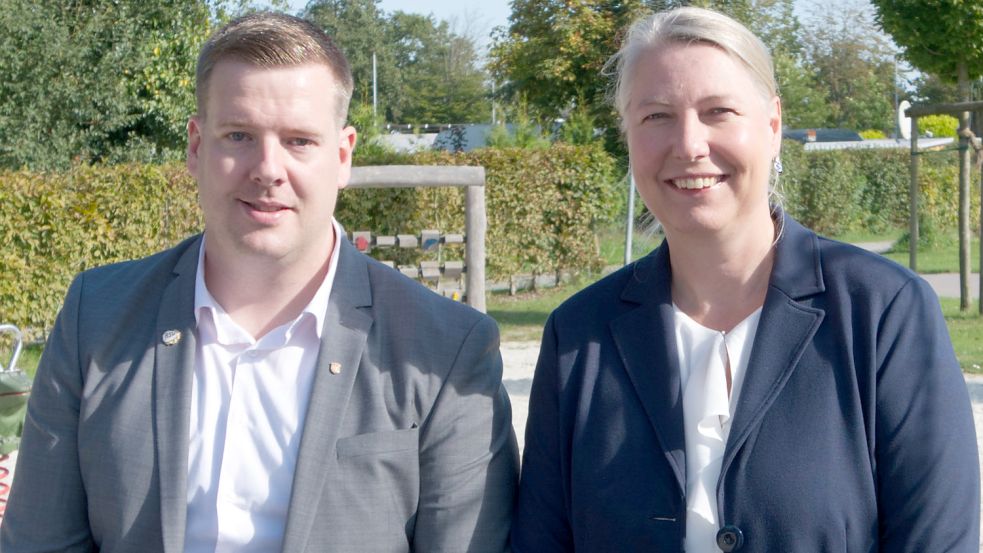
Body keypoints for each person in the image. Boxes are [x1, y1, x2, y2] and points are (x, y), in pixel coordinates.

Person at [1, 12, 517, 553]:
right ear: (197, 146)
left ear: (342, 155)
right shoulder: (96, 318)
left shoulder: (446, 348)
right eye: (239, 135)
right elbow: (41, 541)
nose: (268, 169)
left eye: (298, 141)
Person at [512, 6, 979, 552]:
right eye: (656, 116)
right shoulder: (579, 335)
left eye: (718, 111)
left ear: (773, 126)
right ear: (628, 136)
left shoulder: (882, 312)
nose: (688, 144)